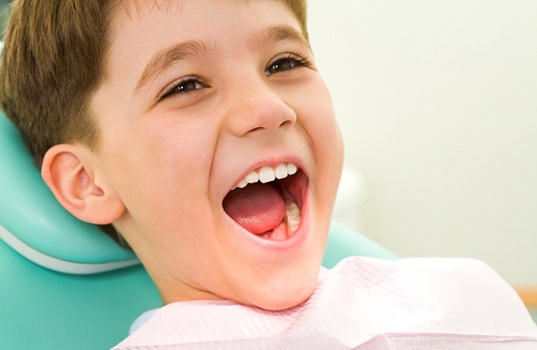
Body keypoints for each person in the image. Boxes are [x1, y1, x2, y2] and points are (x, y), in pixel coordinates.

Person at [0, 1, 536, 349]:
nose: (269, 107)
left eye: (284, 63)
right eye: (185, 85)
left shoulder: (458, 289)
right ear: (87, 182)